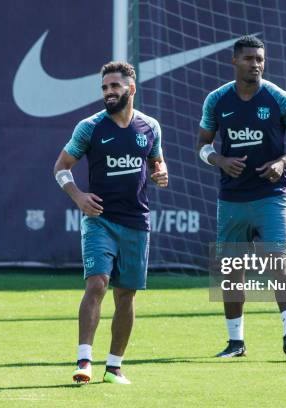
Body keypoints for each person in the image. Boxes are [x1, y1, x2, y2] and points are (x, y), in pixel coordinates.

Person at [196, 35, 286, 360]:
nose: (256, 64)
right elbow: (202, 145)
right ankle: (236, 343)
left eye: (260, 59)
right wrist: (219, 160)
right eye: (249, 59)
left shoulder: (278, 98)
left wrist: (283, 161)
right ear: (234, 61)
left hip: (272, 196)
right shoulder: (217, 100)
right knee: (232, 270)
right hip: (232, 198)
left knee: (279, 261)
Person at [53, 61, 168, 384]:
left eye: (114, 87)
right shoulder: (89, 127)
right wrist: (78, 196)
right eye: (104, 87)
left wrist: (161, 172)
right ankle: (84, 361)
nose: (108, 92)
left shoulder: (150, 127)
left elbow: (156, 159)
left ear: (130, 89)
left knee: (126, 295)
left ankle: (114, 366)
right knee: (97, 283)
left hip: (136, 221)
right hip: (99, 220)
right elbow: (61, 167)